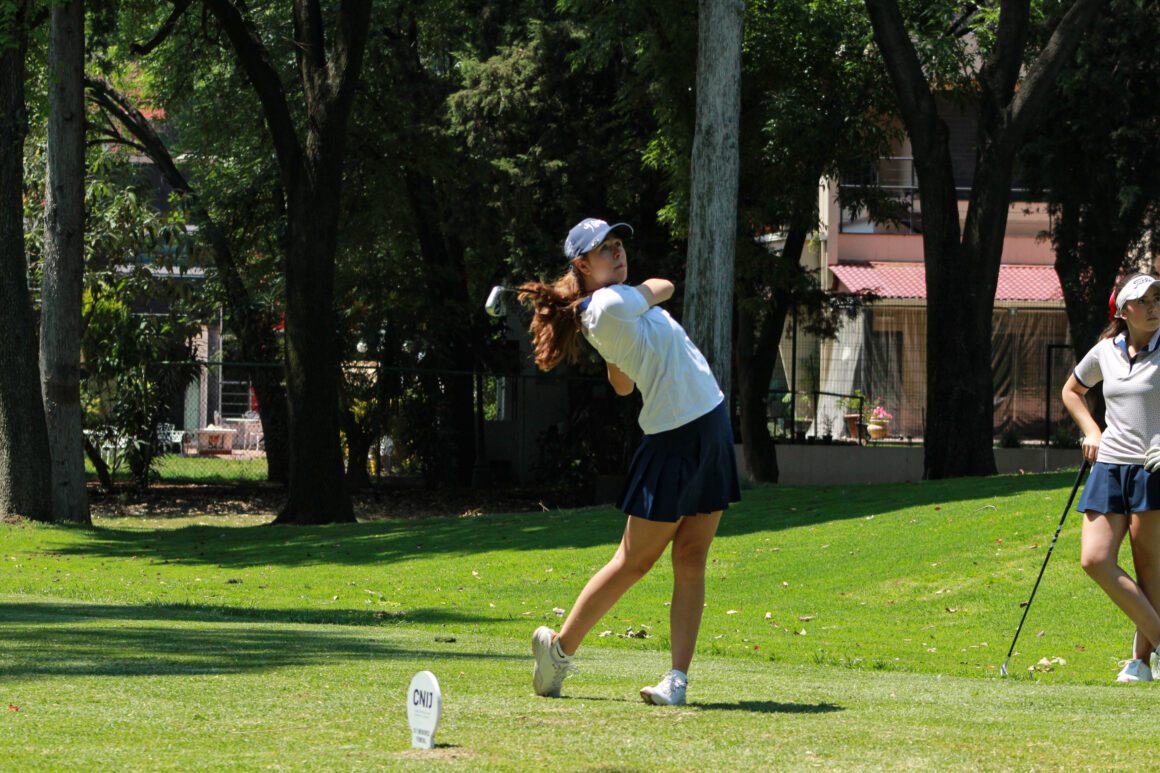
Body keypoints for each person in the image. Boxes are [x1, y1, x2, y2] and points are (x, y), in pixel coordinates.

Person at [516, 218, 741, 705]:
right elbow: (666, 284)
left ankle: (676, 681)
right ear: (582, 264)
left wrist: (617, 348)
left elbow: (621, 385)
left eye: (619, 245)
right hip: (675, 435)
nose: (618, 254)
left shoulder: (606, 309)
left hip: (709, 420)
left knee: (691, 557)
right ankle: (559, 651)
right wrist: (626, 317)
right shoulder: (613, 302)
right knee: (635, 561)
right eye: (605, 250)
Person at [1062, 272, 1160, 683]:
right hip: (1110, 466)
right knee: (1095, 560)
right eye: (1146, 300)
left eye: (1159, 298)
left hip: (1152, 468)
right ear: (1124, 311)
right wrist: (1091, 431)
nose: (1155, 306)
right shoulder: (1105, 351)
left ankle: (1139, 662)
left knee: (1150, 570)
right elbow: (1071, 391)